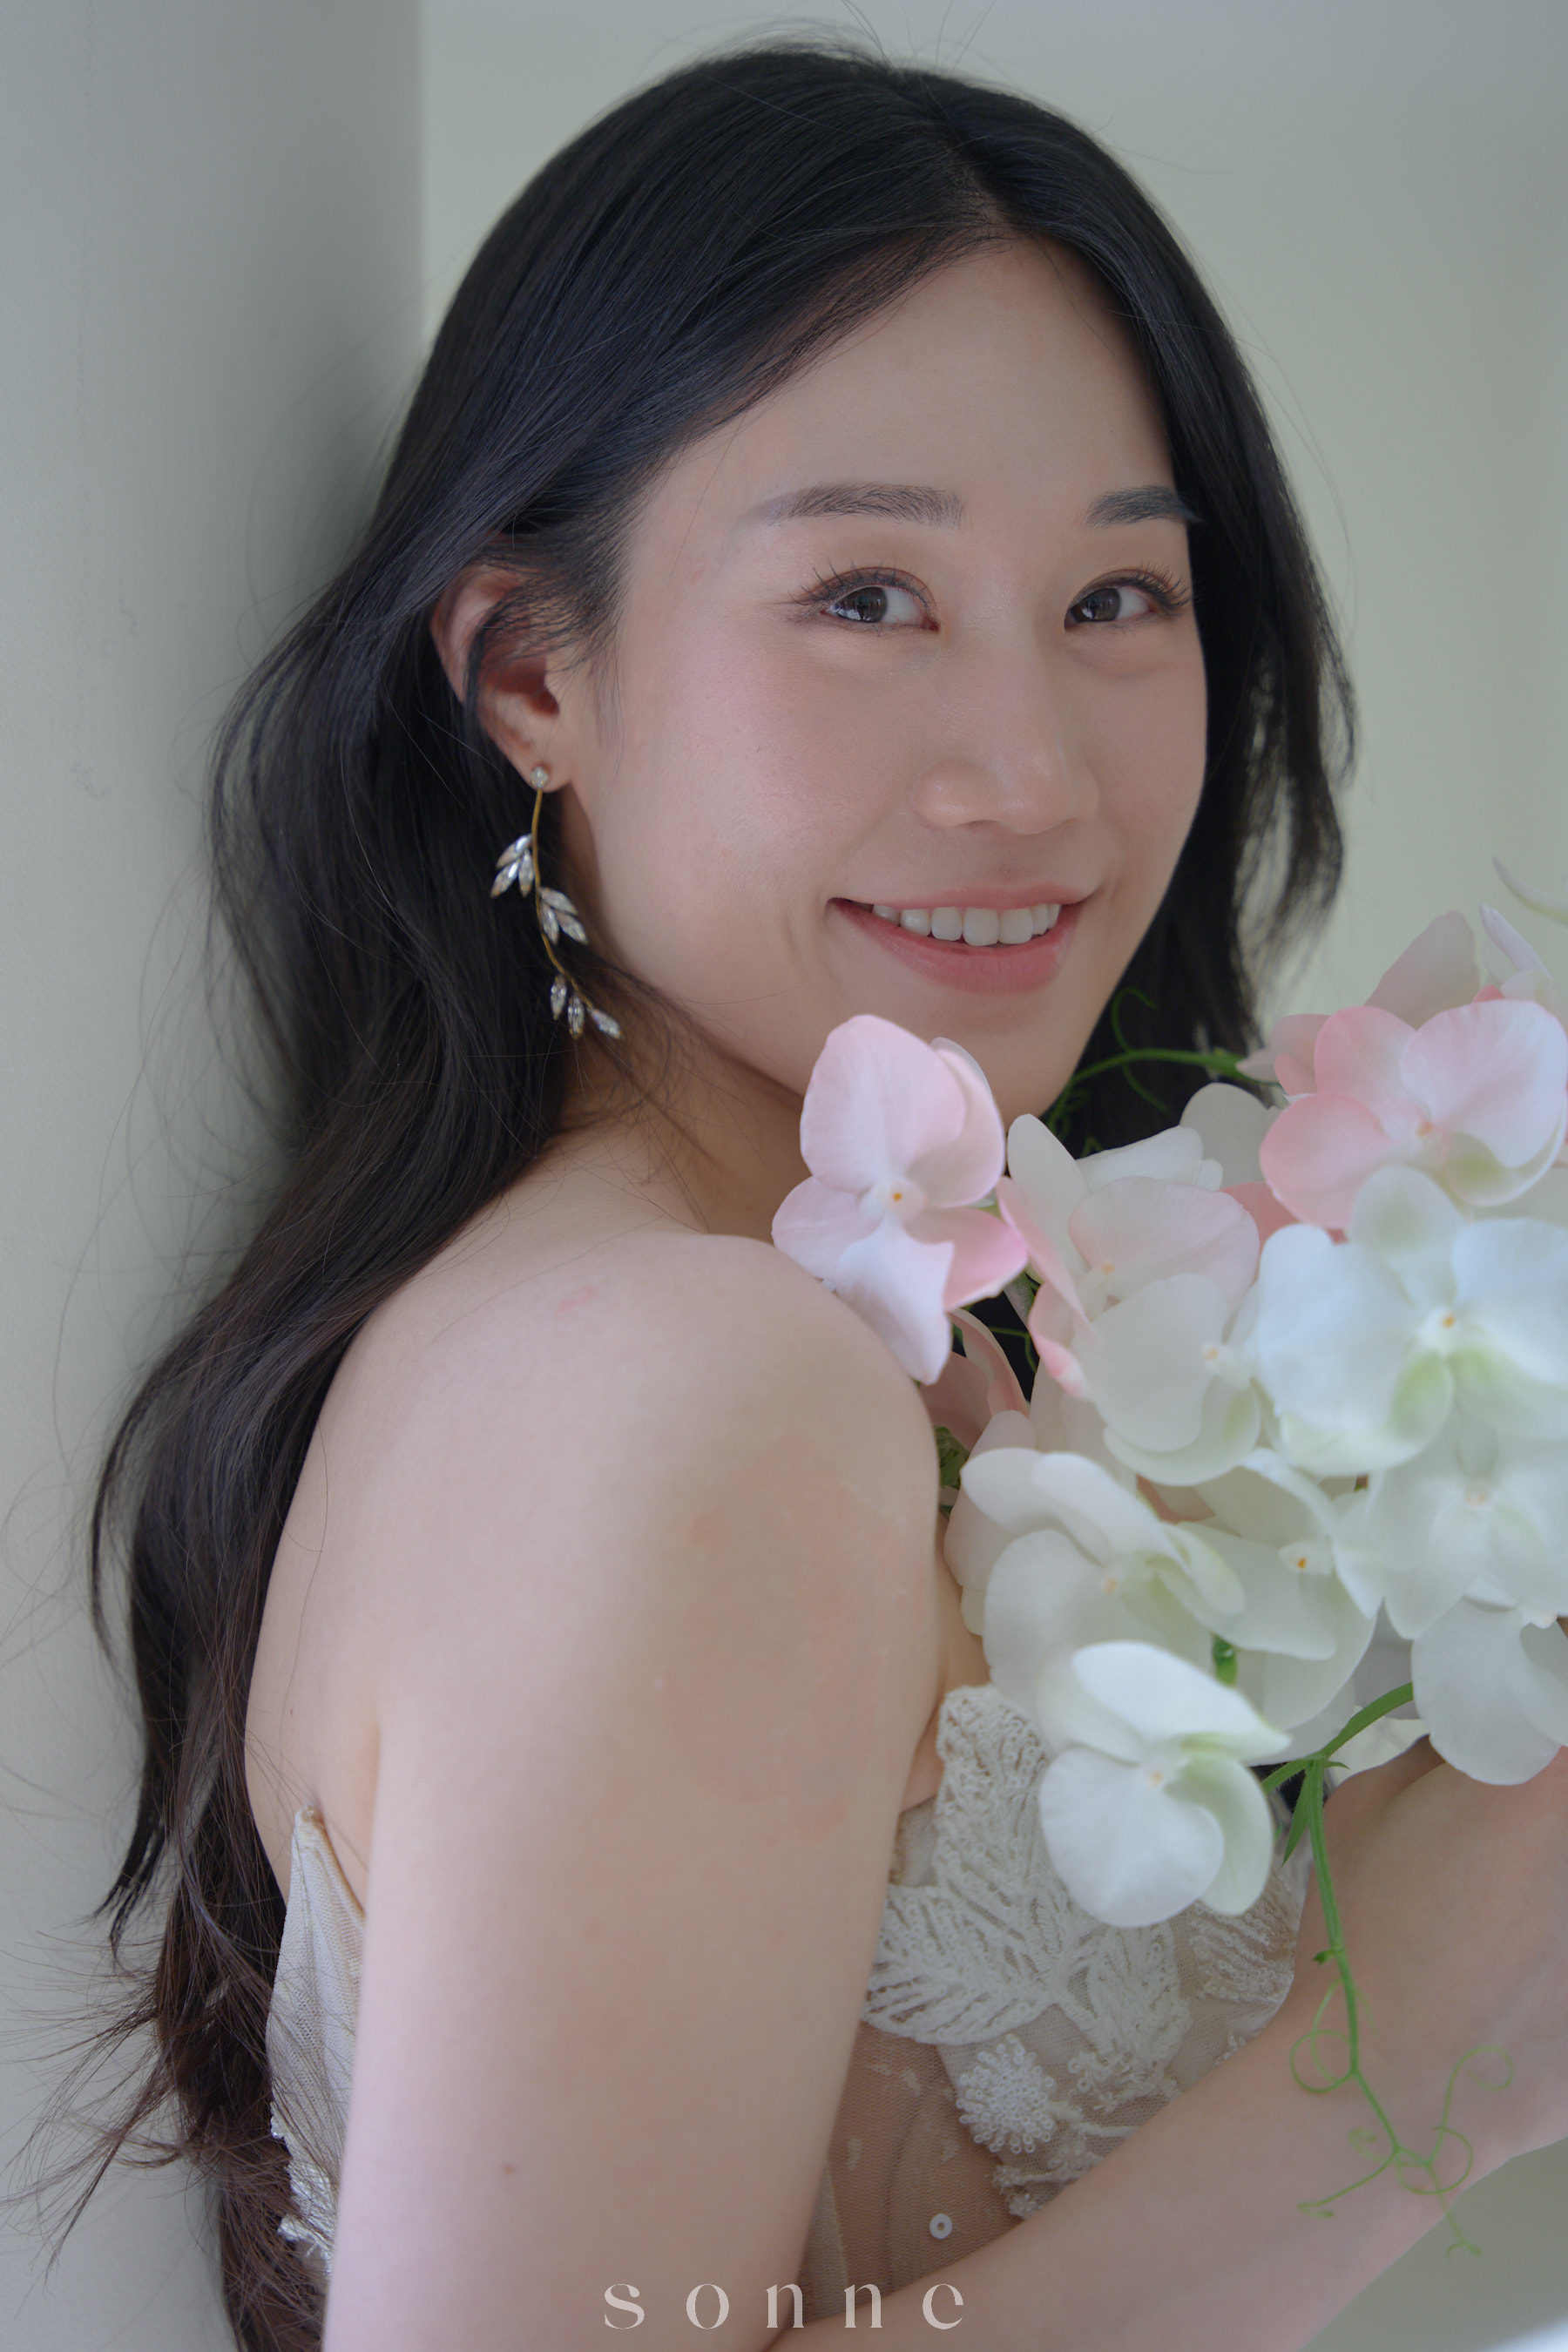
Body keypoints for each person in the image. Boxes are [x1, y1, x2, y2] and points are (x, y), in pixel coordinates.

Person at [78, 39, 1568, 2352]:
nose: (1032, 771)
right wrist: (1406, 2095)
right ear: (529, 671)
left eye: (1118, 597)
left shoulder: (806, 1333)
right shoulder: (698, 1379)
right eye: (868, 595)